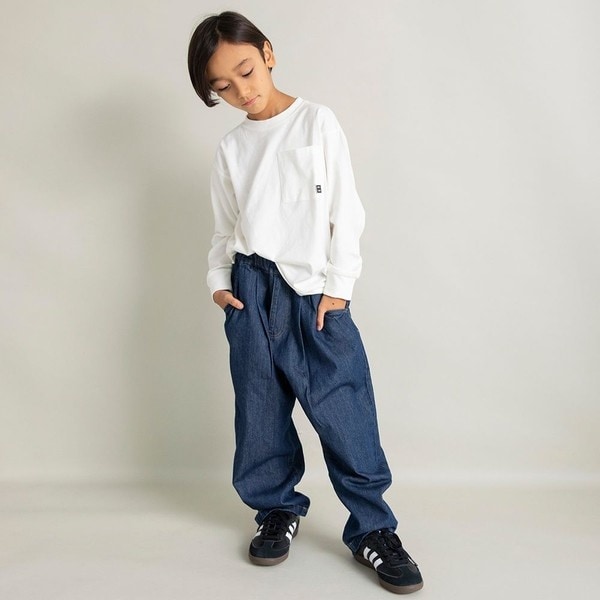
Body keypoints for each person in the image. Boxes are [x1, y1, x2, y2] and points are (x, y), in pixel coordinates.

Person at [187, 11, 423, 594]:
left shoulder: (317, 122)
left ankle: (373, 528)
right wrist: (219, 283)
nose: (242, 91)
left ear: (267, 52)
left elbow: (346, 209)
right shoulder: (232, 148)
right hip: (250, 290)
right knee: (259, 412)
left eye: (246, 71)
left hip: (313, 291)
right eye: (223, 86)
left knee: (345, 410)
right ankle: (275, 509)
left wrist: (339, 286)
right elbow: (225, 228)